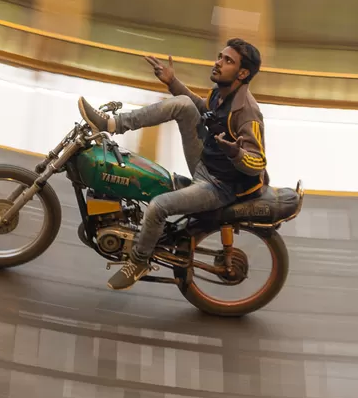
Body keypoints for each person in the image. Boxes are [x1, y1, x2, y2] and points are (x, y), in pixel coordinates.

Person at [78, 39, 268, 290]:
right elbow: (202, 110)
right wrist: (172, 83)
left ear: (243, 73)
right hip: (207, 163)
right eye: (220, 56)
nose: (218, 62)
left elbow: (257, 162)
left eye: (227, 60)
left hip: (222, 186)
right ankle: (112, 125)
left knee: (158, 206)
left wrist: (235, 152)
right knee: (184, 104)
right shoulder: (220, 94)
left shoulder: (247, 112)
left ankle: (138, 261)